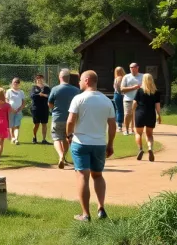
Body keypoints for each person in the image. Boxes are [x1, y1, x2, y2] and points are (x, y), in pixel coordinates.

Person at [66, 70, 116, 222]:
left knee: (82, 176)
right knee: (98, 175)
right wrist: (110, 144)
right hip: (99, 143)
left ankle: (86, 214)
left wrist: (69, 136)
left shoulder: (78, 99)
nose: (79, 83)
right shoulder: (107, 101)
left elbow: (70, 121)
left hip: (81, 142)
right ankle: (101, 208)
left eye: (80, 80)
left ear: (87, 80)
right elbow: (112, 125)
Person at [48, 68, 81, 169]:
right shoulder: (76, 90)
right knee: (67, 138)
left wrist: (53, 109)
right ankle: (64, 156)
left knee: (56, 138)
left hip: (57, 117)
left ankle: (60, 155)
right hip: (71, 119)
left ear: (60, 77)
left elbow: (50, 103)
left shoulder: (55, 89)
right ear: (69, 78)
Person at [132, 73, 162, 162]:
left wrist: (132, 111)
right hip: (150, 114)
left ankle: (140, 149)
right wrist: (159, 115)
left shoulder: (140, 91)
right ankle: (150, 148)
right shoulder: (156, 92)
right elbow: (157, 105)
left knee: (138, 133)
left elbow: (134, 103)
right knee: (149, 134)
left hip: (140, 113)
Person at [120, 62, 143, 135]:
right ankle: (126, 130)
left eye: (134, 67)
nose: (132, 69)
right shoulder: (126, 77)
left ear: (137, 67)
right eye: (131, 68)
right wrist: (133, 87)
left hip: (139, 99)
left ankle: (134, 130)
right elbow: (122, 89)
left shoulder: (143, 76)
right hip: (128, 99)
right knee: (127, 114)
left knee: (137, 115)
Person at [30, 74, 51, 145]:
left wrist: (44, 95)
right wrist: (39, 94)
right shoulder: (34, 87)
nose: (39, 80)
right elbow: (32, 96)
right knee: (36, 124)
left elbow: (50, 96)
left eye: (41, 78)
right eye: (38, 78)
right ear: (36, 80)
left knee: (44, 124)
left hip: (44, 108)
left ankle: (44, 139)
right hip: (36, 108)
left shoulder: (47, 88)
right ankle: (34, 137)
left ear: (43, 79)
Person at [5, 78, 25, 145]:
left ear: (19, 84)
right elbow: (7, 101)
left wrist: (20, 108)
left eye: (17, 82)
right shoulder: (9, 91)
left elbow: (23, 102)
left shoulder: (21, 92)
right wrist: (11, 109)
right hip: (11, 111)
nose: (16, 83)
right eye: (14, 82)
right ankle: (12, 137)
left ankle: (16, 139)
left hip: (18, 111)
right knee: (11, 125)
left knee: (17, 125)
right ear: (12, 83)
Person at [112, 67, 125, 133]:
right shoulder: (124, 78)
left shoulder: (116, 79)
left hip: (117, 95)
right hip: (123, 95)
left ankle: (119, 125)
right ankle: (123, 123)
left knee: (118, 110)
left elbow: (116, 88)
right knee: (123, 110)